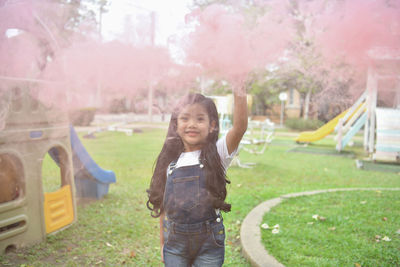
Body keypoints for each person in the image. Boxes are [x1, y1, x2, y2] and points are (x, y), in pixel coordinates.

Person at [146, 86, 248, 267]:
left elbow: (240, 127)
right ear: (176, 125)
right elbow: (163, 207)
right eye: (185, 118)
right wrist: (163, 243)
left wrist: (239, 86)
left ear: (212, 126)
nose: (192, 124)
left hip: (209, 243)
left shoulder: (217, 154)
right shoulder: (169, 162)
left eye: (200, 119)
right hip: (175, 243)